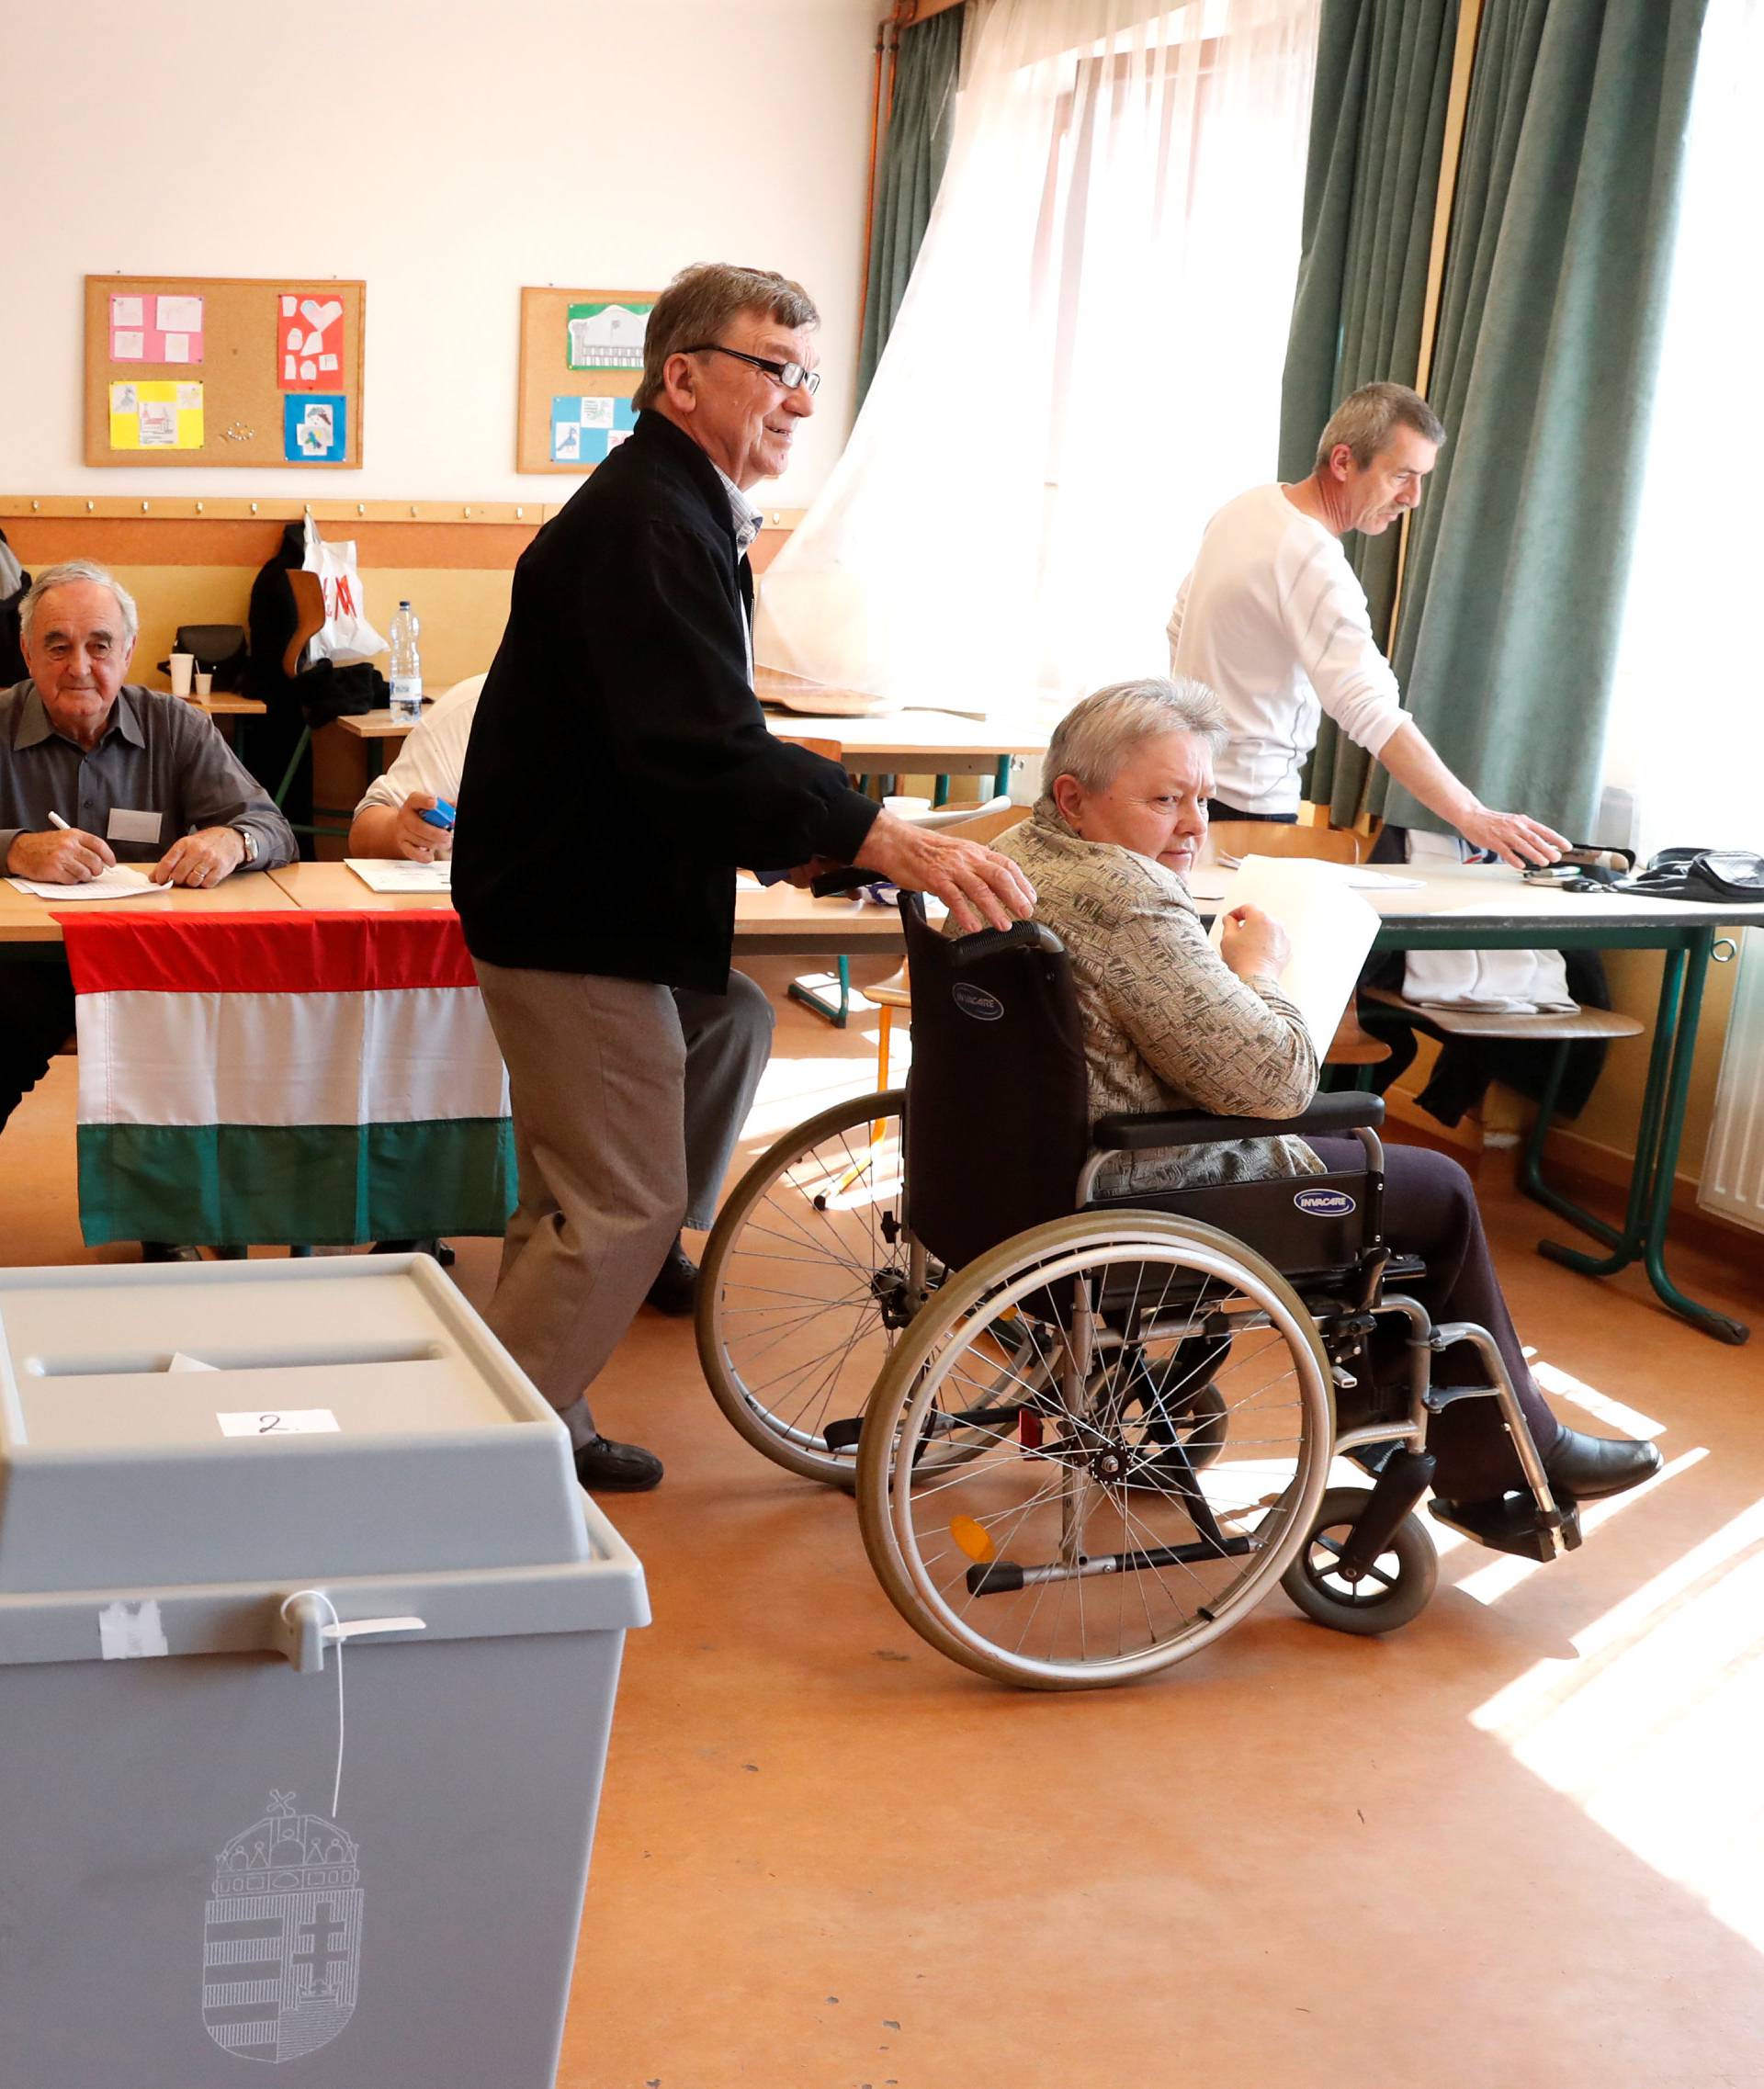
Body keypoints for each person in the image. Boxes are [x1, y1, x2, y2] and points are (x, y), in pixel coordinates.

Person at [452, 262, 1035, 1494]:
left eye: (810, 376)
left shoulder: (682, 506)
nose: (801, 402)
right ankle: (475, 1469)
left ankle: (538, 1403)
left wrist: (832, 838)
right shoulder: (648, 522)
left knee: (728, 1029)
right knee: (618, 1200)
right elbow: (697, 750)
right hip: (573, 915)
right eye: (776, 369)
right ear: (681, 374)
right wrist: (877, 838)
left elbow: (699, 740)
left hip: (597, 896)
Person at [985, 675, 1660, 1514]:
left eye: (1203, 797)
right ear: (1074, 798)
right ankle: (1501, 1456)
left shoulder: (1009, 856)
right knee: (1435, 1188)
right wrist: (1258, 974)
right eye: (1166, 801)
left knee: (1375, 1184)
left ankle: (1395, 1402)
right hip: (1137, 1189)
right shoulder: (1125, 895)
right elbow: (1273, 1085)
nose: (1194, 826)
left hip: (1006, 1177)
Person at [349, 672, 769, 1314]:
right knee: (481, 1011)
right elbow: (371, 823)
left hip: (625, 952)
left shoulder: (675, 706)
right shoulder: (480, 703)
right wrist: (400, 833)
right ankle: (422, 1211)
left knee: (736, 1012)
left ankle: (656, 1239)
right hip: (494, 955)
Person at [0, 560, 298, 1251]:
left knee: (215, 1037)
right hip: (25, 968)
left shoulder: (175, 726)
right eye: (57, 645)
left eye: (100, 645)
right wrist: (15, 848)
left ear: (128, 652)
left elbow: (272, 826)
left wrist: (232, 840)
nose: (80, 666)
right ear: (27, 653)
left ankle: (169, 1222)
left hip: (153, 966)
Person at [1169, 381, 1566, 869]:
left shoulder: (1244, 510)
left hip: (1192, 793)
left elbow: (1179, 623)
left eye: (1421, 478)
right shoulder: (1312, 559)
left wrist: (1204, 737)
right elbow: (1371, 709)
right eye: (1402, 475)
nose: (1414, 497)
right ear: (1342, 462)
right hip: (1253, 810)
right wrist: (1472, 814)